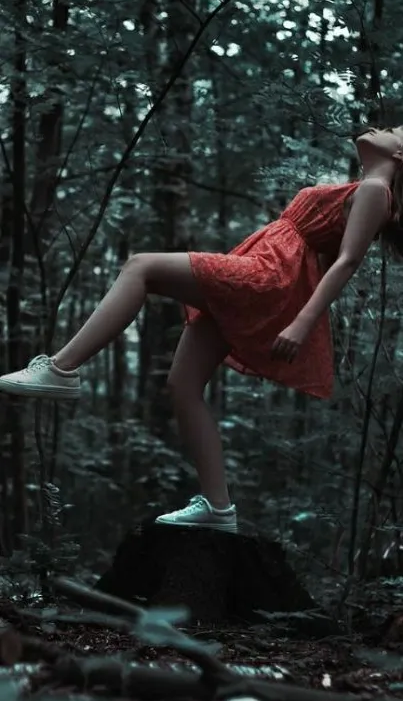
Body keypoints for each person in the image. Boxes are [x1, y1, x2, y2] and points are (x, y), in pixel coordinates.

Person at [1, 126, 403, 534]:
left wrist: (302, 322)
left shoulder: (375, 190)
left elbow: (347, 262)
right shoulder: (364, 187)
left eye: (393, 130)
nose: (380, 128)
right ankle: (218, 508)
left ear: (401, 155)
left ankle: (62, 369)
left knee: (141, 266)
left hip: (268, 276)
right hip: (262, 266)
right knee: (183, 385)